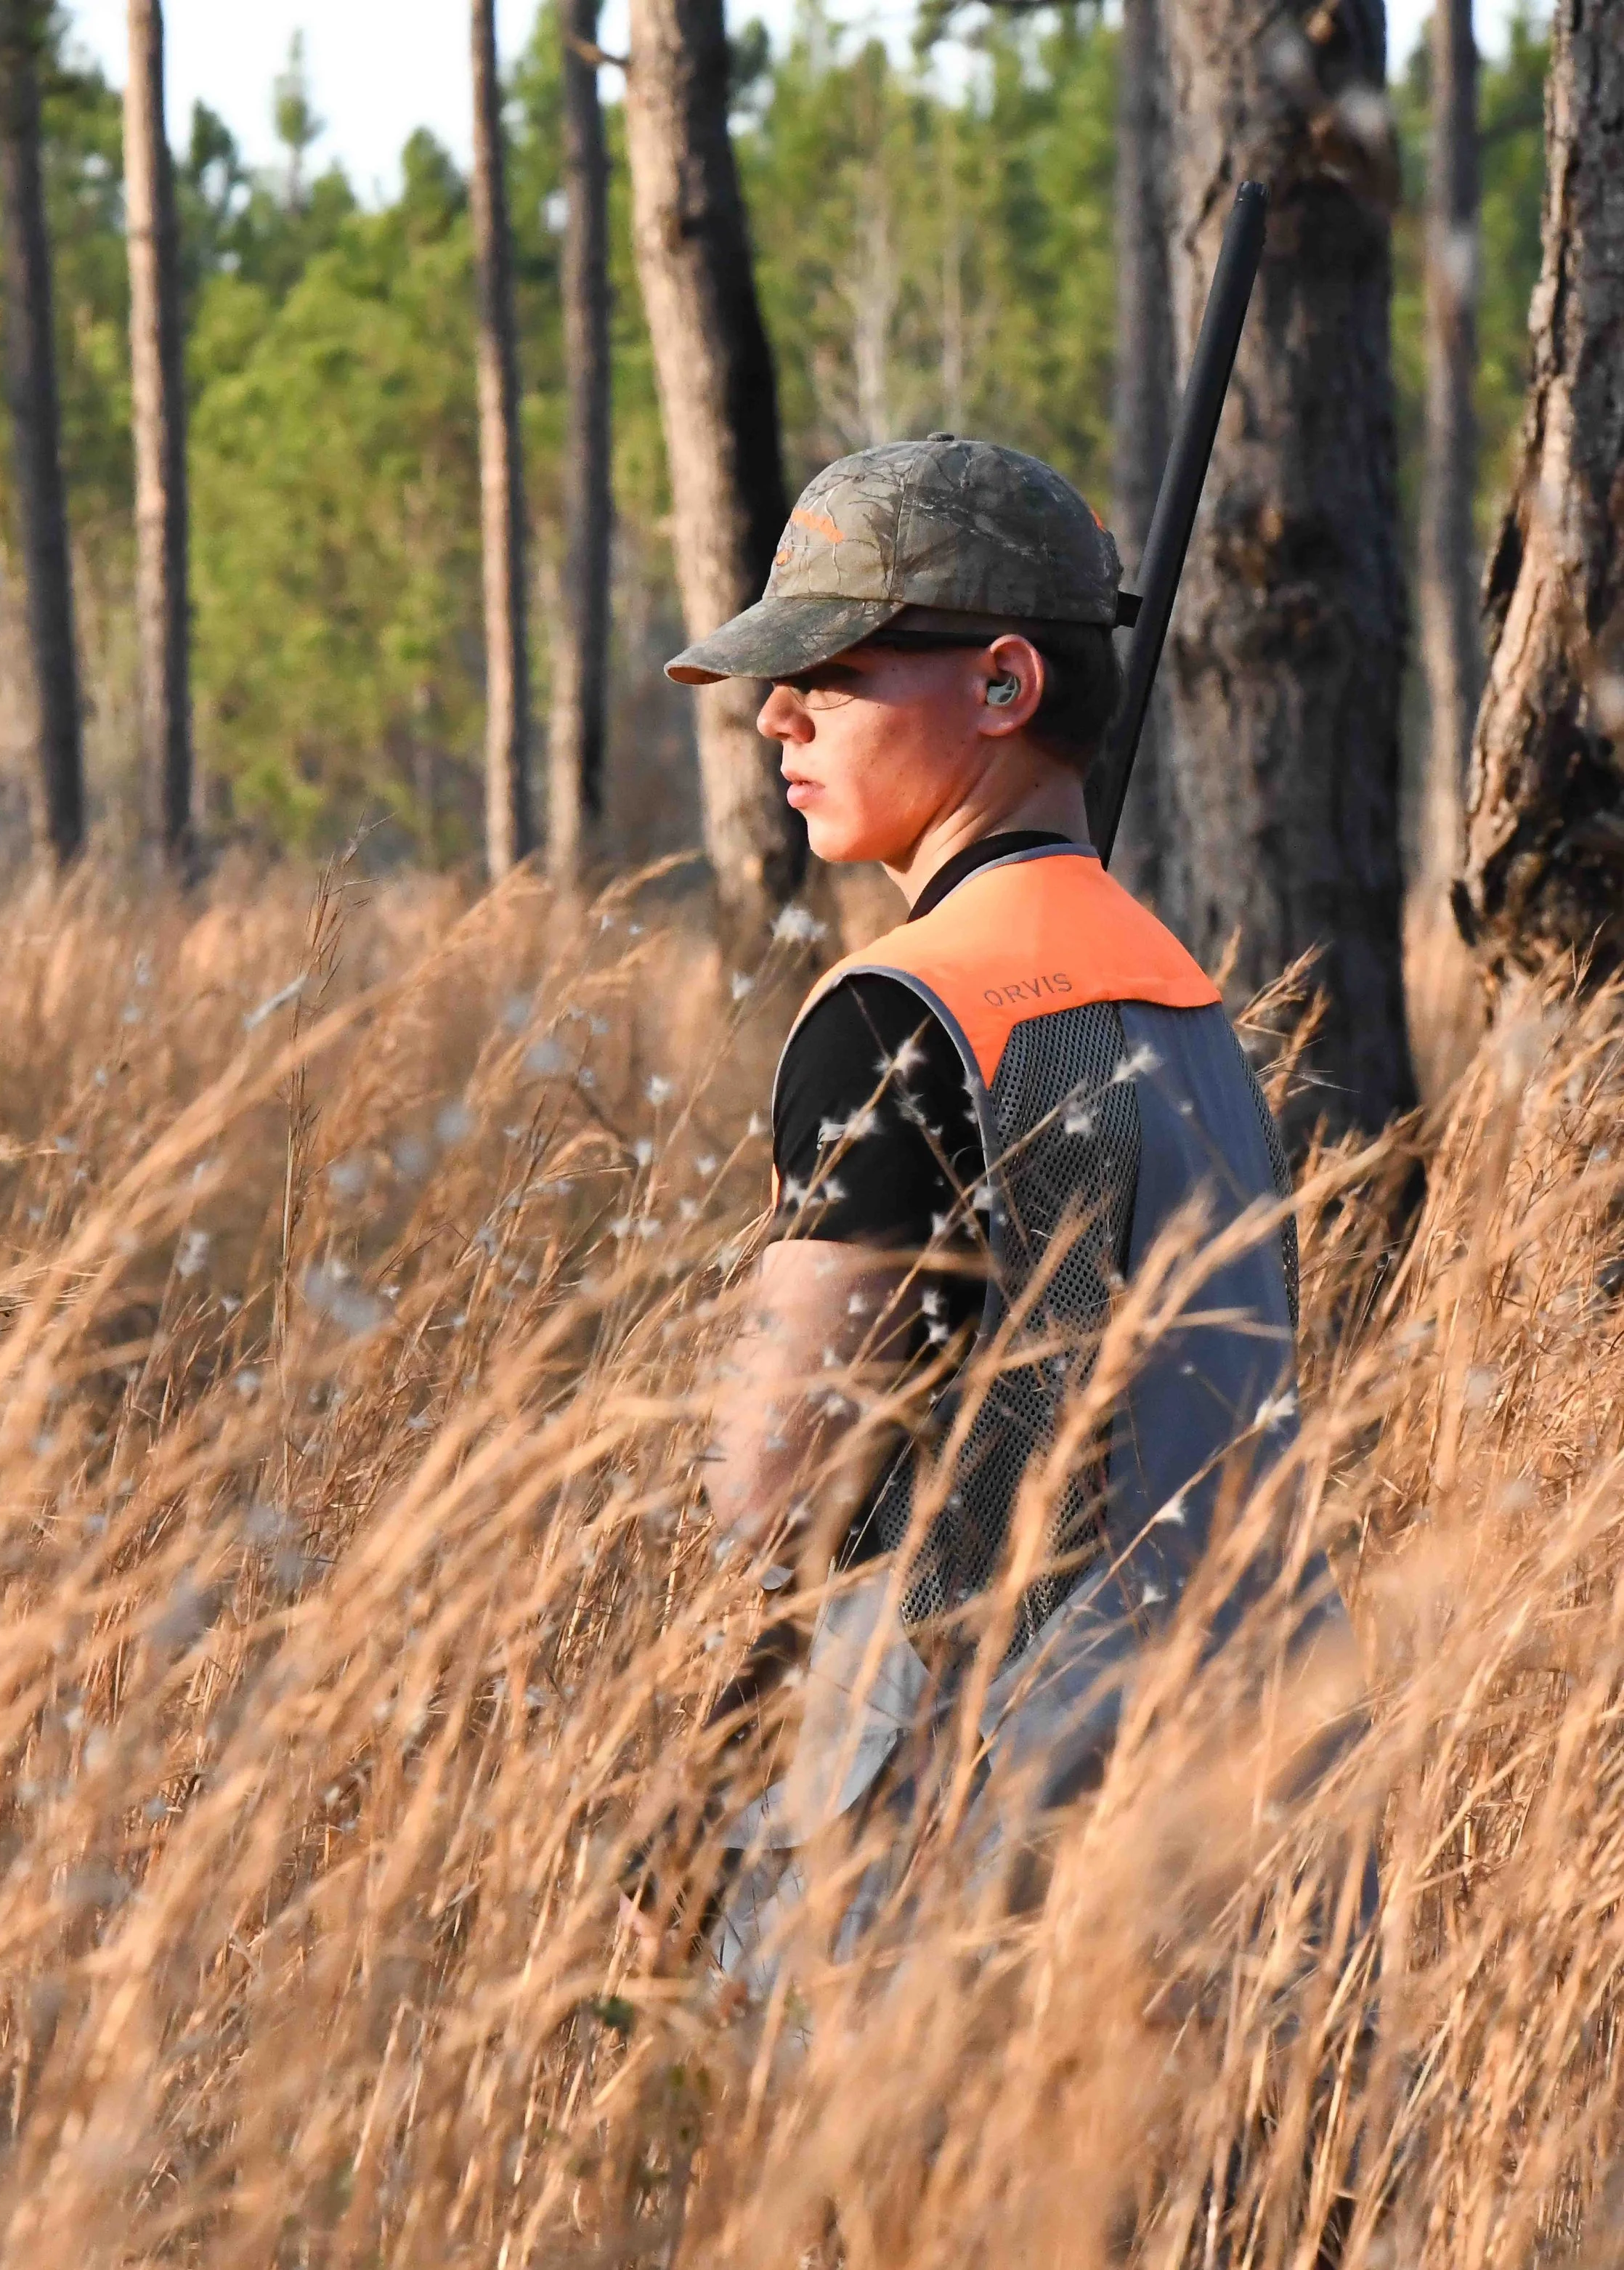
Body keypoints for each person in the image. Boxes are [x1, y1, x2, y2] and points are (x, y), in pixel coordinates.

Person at [665, 434, 1360, 1987]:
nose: (777, 712)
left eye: (832, 670)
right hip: (1255, 1831)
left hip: (967, 1878)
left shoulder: (903, 1011)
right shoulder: (1188, 1011)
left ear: (998, 685)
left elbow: (766, 1492)